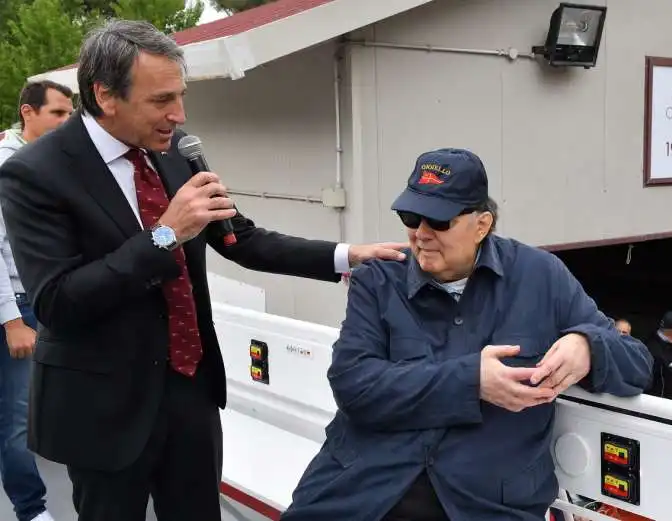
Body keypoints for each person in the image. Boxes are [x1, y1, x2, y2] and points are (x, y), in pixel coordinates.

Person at [0, 20, 405, 521]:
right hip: (103, 405)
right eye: (161, 100)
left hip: (190, 389)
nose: (179, 114)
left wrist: (344, 255)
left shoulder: (177, 151)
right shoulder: (34, 174)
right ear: (105, 95)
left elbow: (242, 240)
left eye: (181, 96)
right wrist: (165, 235)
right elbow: (57, 303)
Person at [280, 147, 654, 521]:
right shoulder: (378, 281)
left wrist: (588, 346)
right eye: (410, 217)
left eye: (438, 222)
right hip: (363, 492)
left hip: (484, 505)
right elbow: (353, 384)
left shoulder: (541, 276)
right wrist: (472, 381)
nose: (420, 234)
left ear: (482, 225)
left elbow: (637, 362)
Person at [0, 80, 73, 521]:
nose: (68, 122)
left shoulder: (54, 164)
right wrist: (12, 320)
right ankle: (33, 511)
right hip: (19, 305)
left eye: (71, 113)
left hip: (51, 299)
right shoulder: (6, 167)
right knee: (16, 418)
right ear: (29, 113)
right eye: (58, 114)